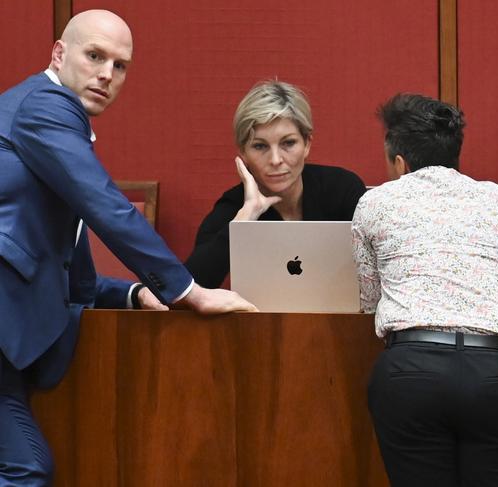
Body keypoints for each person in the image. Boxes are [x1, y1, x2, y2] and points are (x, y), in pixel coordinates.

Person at [0, 10, 256, 485]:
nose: (106, 75)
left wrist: (136, 294)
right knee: (24, 467)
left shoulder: (48, 133)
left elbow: (69, 277)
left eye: (120, 66)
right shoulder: (46, 106)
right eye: (94, 56)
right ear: (59, 53)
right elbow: (105, 204)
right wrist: (187, 291)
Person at [351, 94, 498, 486]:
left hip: (410, 371)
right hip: (494, 372)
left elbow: (369, 300)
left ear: (399, 163)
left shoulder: (375, 202)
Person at [185, 80, 367, 288]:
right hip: (262, 319)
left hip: (339, 318)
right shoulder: (235, 206)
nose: (275, 159)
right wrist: (244, 219)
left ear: (307, 144)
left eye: (288, 143)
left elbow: (374, 270)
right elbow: (189, 288)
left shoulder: (342, 189)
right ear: (243, 153)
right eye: (260, 146)